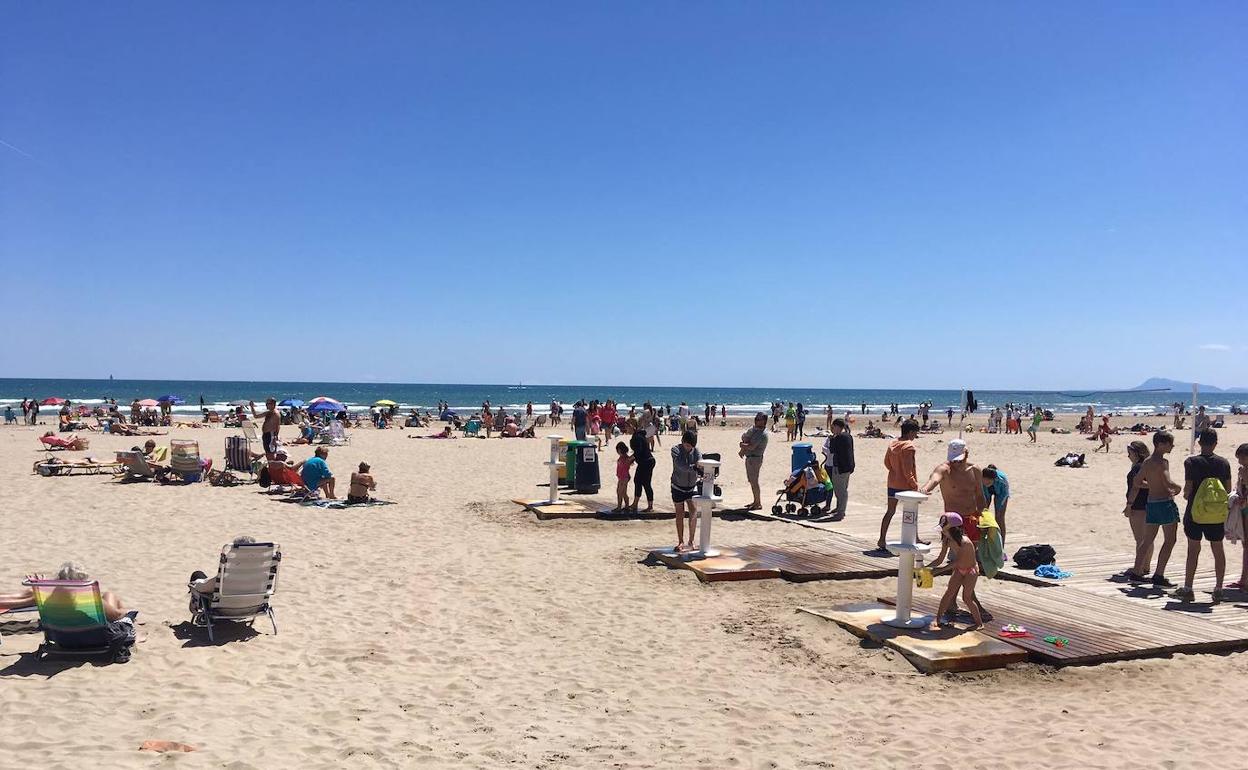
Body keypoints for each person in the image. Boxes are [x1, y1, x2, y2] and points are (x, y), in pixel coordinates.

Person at [0, 562, 136, 661]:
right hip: (95, 640)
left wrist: (41, 588)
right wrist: (127, 613)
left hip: (63, 639)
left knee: (108, 597)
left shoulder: (49, 600)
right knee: (111, 597)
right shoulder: (88, 600)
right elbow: (117, 615)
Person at [920, 438, 988, 620]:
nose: (956, 463)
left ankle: (955, 602)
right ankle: (967, 603)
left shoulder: (975, 470)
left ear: (967, 453)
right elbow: (934, 478)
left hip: (972, 519)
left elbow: (980, 496)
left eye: (959, 459)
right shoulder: (945, 469)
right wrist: (925, 489)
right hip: (953, 523)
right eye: (953, 459)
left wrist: (984, 516)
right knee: (958, 561)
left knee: (970, 561)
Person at [1176, 429, 1232, 602]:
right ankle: (1218, 588)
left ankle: (1188, 587)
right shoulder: (1223, 463)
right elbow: (1228, 489)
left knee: (1193, 549)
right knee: (1218, 548)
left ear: (1199, 443)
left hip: (1196, 511)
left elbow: (1188, 490)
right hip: (1216, 513)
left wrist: (1186, 495)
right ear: (1216, 443)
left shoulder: (1191, 462)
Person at [1129, 431, 1182, 588]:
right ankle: (1159, 574)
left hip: (1151, 503)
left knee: (1147, 540)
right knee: (1170, 539)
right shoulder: (1162, 462)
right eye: (1169, 444)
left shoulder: (1146, 462)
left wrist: (1152, 485)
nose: (1172, 446)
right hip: (1165, 503)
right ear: (1160, 444)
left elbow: (1137, 482)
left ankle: (1136, 572)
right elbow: (1167, 480)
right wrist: (1177, 488)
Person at [930, 513, 983, 629]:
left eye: (944, 528)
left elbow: (957, 562)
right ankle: (938, 619)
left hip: (971, 571)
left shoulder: (965, 542)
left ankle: (979, 623)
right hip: (959, 569)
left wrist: (938, 571)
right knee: (949, 593)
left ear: (953, 529)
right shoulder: (947, 541)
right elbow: (939, 559)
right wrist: (927, 567)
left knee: (967, 598)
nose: (942, 531)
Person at [878, 419, 920, 551]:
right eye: (915, 433)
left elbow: (886, 463)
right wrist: (914, 484)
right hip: (906, 484)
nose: (915, 436)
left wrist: (895, 471)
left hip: (892, 481)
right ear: (911, 432)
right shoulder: (908, 446)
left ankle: (882, 539)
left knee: (890, 511)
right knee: (912, 511)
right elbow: (908, 470)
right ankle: (915, 538)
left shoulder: (892, 443)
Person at [1121, 440, 1154, 582]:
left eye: (1130, 453)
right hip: (1150, 504)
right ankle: (1145, 566)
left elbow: (1135, 487)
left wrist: (1129, 505)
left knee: (1140, 539)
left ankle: (1139, 568)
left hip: (1138, 505)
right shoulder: (1149, 466)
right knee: (1148, 538)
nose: (1128, 456)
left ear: (1136, 453)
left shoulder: (1138, 468)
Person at [189, 535, 258, 594]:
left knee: (197, 574)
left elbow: (204, 588)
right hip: (255, 607)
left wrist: (196, 583)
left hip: (227, 608)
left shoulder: (228, 576)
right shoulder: (263, 575)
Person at [671, 430, 702, 553]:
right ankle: (680, 541)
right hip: (678, 485)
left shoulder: (696, 451)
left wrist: (699, 466)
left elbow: (700, 462)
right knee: (680, 513)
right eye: (687, 445)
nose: (689, 448)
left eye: (691, 446)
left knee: (693, 511)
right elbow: (680, 466)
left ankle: (691, 540)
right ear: (683, 442)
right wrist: (694, 467)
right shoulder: (676, 450)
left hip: (691, 486)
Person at [820, 418, 855, 519]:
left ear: (837, 427)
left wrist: (832, 439)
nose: (832, 429)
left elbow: (832, 450)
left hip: (840, 467)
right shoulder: (848, 436)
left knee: (840, 490)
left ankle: (841, 512)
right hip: (848, 466)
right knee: (843, 488)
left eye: (833, 427)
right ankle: (840, 508)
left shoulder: (839, 437)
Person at [738, 411, 769, 511]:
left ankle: (758, 503)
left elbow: (751, 446)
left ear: (763, 421)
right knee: (752, 481)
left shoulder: (761, 434)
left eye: (759, 419)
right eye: (756, 419)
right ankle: (755, 501)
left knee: (754, 481)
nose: (756, 421)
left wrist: (742, 445)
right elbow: (745, 436)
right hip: (751, 458)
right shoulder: (755, 430)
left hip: (755, 458)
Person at [1229, 444, 1248, 591]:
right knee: (1245, 544)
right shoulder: (1242, 470)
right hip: (1243, 507)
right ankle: (1244, 578)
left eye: (1242, 457)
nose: (1240, 460)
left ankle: (1244, 579)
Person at [628, 419, 655, 513]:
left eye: (627, 426)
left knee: (646, 483)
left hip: (647, 462)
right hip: (644, 461)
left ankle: (650, 506)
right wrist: (634, 459)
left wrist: (630, 458)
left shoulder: (637, 437)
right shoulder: (637, 435)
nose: (626, 429)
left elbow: (639, 450)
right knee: (637, 481)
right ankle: (635, 504)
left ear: (632, 426)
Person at [981, 465, 1011, 544]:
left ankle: (1001, 545)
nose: (986, 483)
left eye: (989, 481)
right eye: (985, 481)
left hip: (1001, 492)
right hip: (986, 491)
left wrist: (999, 509)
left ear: (994, 479)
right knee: (983, 513)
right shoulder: (980, 481)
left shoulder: (1002, 481)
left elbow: (1004, 495)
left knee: (999, 517)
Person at [614, 441, 633, 512]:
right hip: (621, 477)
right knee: (623, 492)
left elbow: (631, 460)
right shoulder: (622, 457)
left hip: (624, 477)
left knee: (620, 492)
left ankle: (619, 507)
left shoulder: (626, 458)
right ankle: (626, 506)